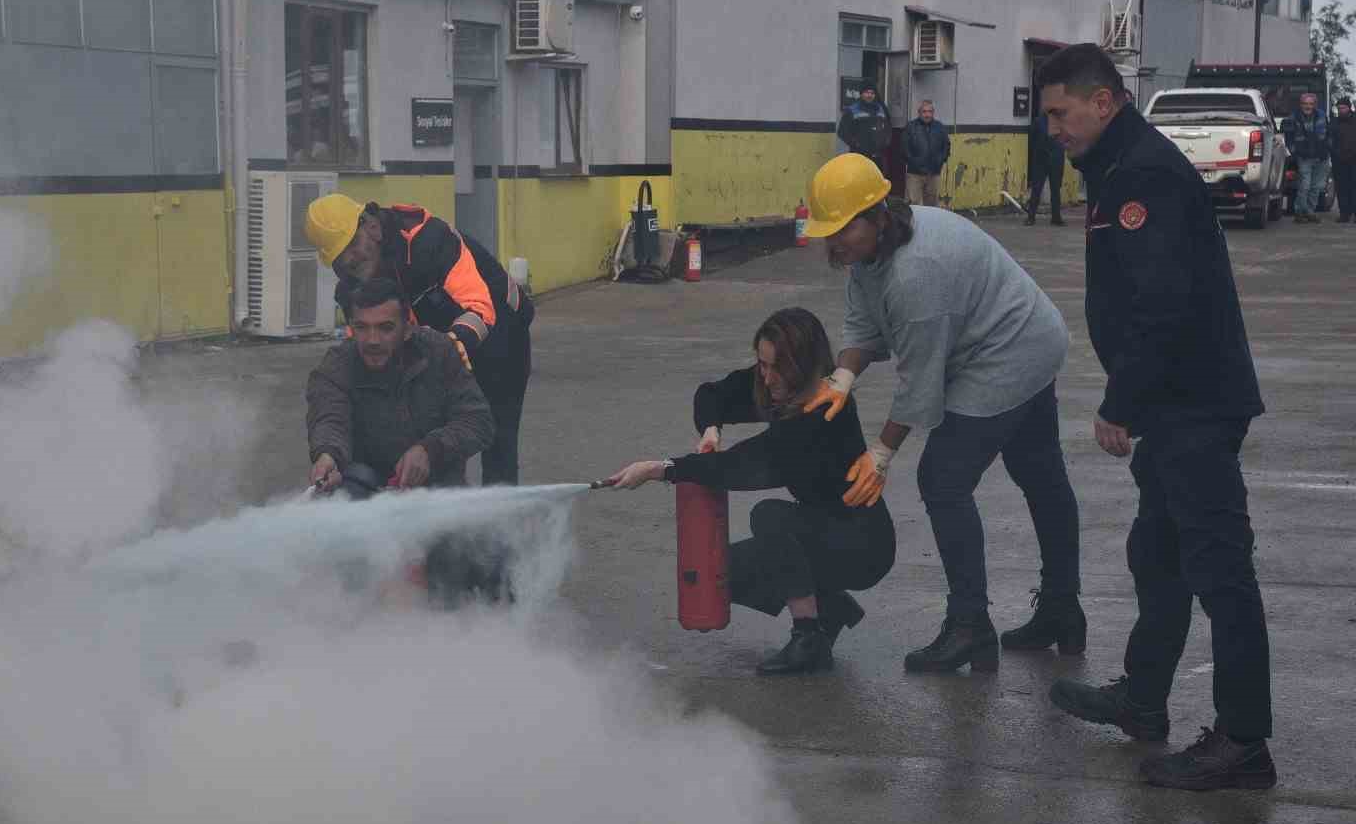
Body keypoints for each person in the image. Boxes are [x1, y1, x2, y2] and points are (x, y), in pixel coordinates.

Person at [1039, 43, 1275, 791]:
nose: (1053, 129)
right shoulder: (1122, 166)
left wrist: (1121, 405)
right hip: (1179, 405)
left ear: (1102, 102)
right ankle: (1142, 701)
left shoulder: (1141, 172)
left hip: (1193, 406)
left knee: (1220, 574)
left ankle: (1242, 743)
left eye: (1060, 112)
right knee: (1159, 558)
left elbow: (1161, 307)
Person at [806, 154, 1084, 675]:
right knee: (1041, 477)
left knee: (943, 480)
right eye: (828, 232)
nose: (833, 243)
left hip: (1008, 351)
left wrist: (881, 453)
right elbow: (863, 324)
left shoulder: (917, 275)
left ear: (876, 214)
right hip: (1018, 335)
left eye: (842, 229)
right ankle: (1063, 612)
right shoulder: (871, 255)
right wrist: (842, 376)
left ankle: (970, 626)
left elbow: (919, 385)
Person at [601, 308, 895, 675]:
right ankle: (830, 609)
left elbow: (747, 464)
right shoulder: (772, 384)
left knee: (770, 517)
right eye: (762, 364)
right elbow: (713, 394)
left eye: (777, 367)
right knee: (724, 571)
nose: (767, 377)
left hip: (863, 544)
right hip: (822, 526)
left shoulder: (825, 412)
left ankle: (809, 640)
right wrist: (711, 429)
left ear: (803, 366)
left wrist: (661, 469)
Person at [305, 193, 533, 484]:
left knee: (495, 435)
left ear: (372, 228)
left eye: (352, 245)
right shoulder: (351, 285)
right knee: (429, 436)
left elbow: (479, 308)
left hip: (500, 336)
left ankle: (501, 520)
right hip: (438, 342)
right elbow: (360, 349)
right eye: (338, 258)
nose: (350, 260)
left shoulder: (430, 241)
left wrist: (451, 349)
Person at [307, 278, 493, 494]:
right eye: (362, 327)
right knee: (351, 485)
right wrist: (328, 455)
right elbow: (329, 418)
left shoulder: (440, 352)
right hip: (364, 490)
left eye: (385, 328)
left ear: (407, 329)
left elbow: (478, 421)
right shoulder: (335, 366)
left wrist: (430, 449)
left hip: (439, 491)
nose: (372, 340)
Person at [1284, 91, 1332, 223]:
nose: (1308, 106)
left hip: (1321, 157)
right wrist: (1295, 152)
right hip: (1304, 157)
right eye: (1305, 103)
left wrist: (1327, 149)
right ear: (1300, 104)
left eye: (1311, 104)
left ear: (1315, 104)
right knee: (1304, 185)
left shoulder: (1322, 115)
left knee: (1316, 187)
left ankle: (1310, 212)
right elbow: (1288, 139)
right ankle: (1299, 212)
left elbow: (1328, 134)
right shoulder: (1293, 118)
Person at [904, 100, 951, 208]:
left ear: (933, 113)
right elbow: (904, 149)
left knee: (932, 205)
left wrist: (940, 161)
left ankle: (930, 225)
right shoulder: (911, 127)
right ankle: (914, 225)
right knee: (913, 205)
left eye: (930, 111)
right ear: (919, 112)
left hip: (933, 173)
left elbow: (946, 146)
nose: (927, 114)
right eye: (924, 111)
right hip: (915, 174)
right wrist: (914, 163)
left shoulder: (939, 127)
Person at [1026, 110, 1065, 226]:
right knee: (1036, 189)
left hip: (1055, 159)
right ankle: (1031, 217)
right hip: (1041, 159)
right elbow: (1032, 139)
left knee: (1055, 189)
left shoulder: (1060, 121)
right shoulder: (1039, 121)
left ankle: (1056, 218)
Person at [839, 85, 891, 172]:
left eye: (872, 93)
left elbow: (888, 128)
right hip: (859, 156)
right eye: (867, 92)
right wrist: (857, 145)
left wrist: (885, 142)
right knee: (859, 180)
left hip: (878, 156)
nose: (869, 95)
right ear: (861, 94)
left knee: (876, 181)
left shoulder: (881, 109)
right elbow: (842, 132)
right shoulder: (852, 110)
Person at [1331, 97, 1356, 224]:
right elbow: (1330, 140)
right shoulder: (1334, 122)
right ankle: (1344, 214)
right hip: (1339, 161)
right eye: (1339, 108)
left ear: (1349, 107)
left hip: (1354, 160)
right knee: (1341, 188)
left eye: (1343, 108)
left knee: (1354, 187)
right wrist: (1335, 153)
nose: (1341, 110)